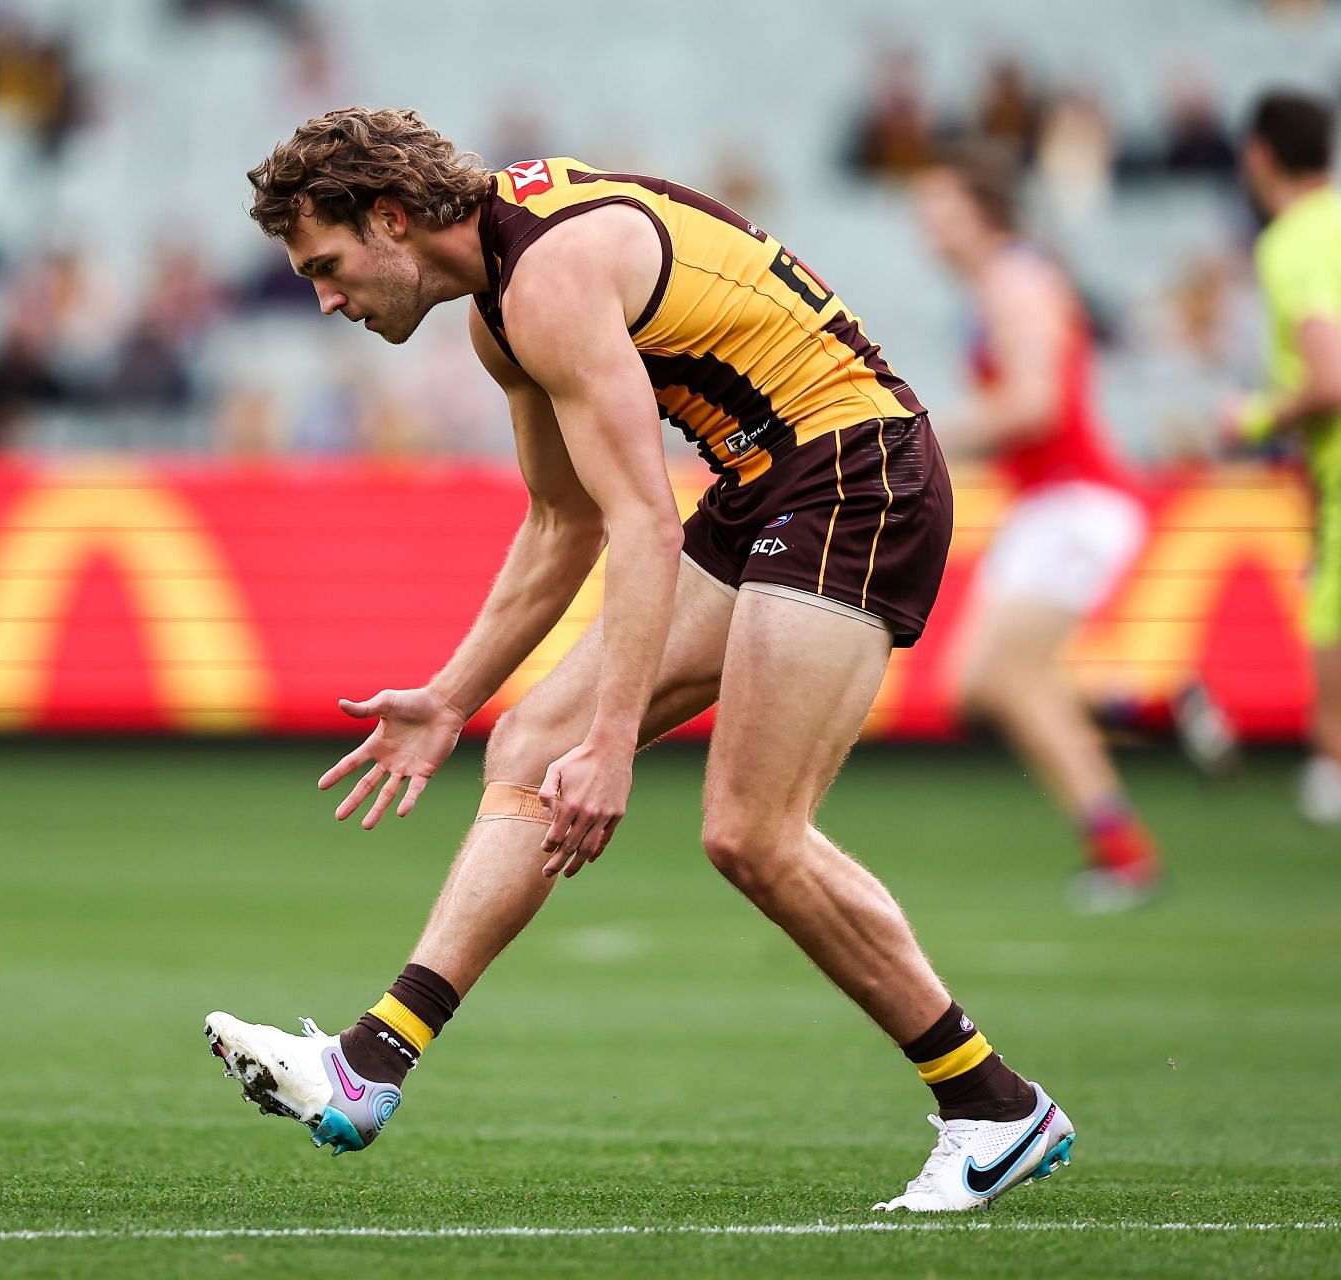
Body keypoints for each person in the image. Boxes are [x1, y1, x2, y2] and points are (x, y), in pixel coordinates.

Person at [203, 108, 1076, 1212]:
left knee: (749, 831)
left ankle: (993, 1105)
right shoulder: (500, 310)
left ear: (390, 218)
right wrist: (452, 697)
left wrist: (614, 743)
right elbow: (560, 525)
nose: (326, 298)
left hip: (859, 473)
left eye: (326, 266)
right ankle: (372, 1064)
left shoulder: (548, 280)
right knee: (530, 738)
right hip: (771, 480)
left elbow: (643, 523)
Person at [914, 145, 1174, 911]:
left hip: (1077, 501)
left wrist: (917, 434)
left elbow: (1036, 406)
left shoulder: (1014, 279)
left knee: (998, 678)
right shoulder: (1000, 280)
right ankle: (1148, 713)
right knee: (979, 683)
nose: (926, 224)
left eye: (939, 206)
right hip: (1051, 504)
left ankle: (1127, 843)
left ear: (980, 207)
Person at [1222, 90, 1341, 825]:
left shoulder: (1291, 241)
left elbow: (1330, 379)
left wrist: (1253, 416)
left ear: (1259, 155)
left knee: (1332, 726)